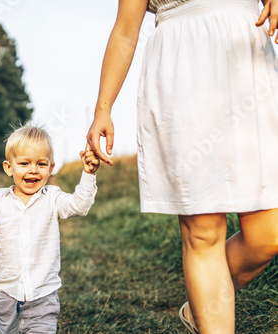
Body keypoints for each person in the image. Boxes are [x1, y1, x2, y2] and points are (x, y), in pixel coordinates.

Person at [86, 0, 278, 333]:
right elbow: (125, 32)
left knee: (269, 234)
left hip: (250, 67)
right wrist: (103, 109)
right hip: (183, 68)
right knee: (203, 233)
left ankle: (200, 307)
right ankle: (211, 318)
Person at [0, 125, 99, 333]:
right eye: (24, 163)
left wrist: (88, 174)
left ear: (50, 168)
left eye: (41, 164)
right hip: (6, 295)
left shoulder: (53, 198)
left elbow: (79, 206)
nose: (33, 170)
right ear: (9, 168)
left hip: (43, 295)